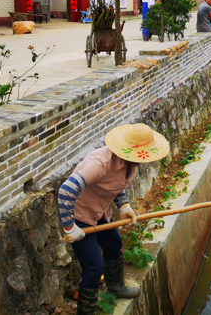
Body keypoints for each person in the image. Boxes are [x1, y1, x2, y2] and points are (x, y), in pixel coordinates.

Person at [58, 123, 170, 315]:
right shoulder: (99, 163)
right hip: (81, 215)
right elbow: (66, 191)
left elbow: (117, 185)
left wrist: (124, 205)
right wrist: (70, 227)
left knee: (113, 243)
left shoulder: (130, 163)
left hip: (101, 211)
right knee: (94, 267)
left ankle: (116, 287)